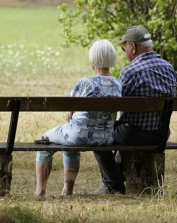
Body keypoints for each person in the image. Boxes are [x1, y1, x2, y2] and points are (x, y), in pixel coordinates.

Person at [91, 25, 177, 195]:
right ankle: (113, 181)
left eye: (124, 48)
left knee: (97, 134)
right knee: (123, 130)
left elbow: (114, 105)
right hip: (160, 134)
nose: (125, 52)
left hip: (134, 134)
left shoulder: (130, 72)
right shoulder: (169, 69)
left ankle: (113, 184)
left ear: (132, 46)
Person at [35, 39, 122, 198]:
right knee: (69, 141)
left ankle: (40, 191)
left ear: (92, 61)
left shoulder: (85, 83)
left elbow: (69, 105)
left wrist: (71, 111)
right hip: (105, 138)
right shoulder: (118, 85)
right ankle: (67, 190)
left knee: (45, 141)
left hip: (77, 136)